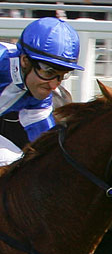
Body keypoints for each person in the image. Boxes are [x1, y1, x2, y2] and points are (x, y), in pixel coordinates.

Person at [0, 18, 83, 167]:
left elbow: (46, 146)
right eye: (49, 72)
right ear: (25, 60)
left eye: (62, 76)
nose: (53, 85)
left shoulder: (38, 95)